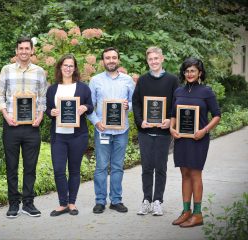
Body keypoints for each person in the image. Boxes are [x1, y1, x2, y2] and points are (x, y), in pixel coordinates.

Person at [0, 37, 48, 218]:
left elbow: (43, 97)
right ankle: (13, 204)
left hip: (32, 127)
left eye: (27, 48)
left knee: (30, 167)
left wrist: (40, 116)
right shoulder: (6, 70)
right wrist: (6, 115)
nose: (24, 51)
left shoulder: (40, 72)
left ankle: (28, 203)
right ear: (16, 51)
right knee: (11, 167)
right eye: (21, 48)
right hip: (11, 126)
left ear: (32, 51)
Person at [170, 57, 220, 227]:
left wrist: (204, 130)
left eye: (193, 71)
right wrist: (172, 128)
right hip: (181, 139)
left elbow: (217, 116)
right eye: (187, 71)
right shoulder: (178, 91)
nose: (189, 74)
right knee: (184, 173)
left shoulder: (206, 92)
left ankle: (198, 214)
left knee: (195, 173)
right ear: (183, 73)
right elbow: (174, 115)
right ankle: (186, 211)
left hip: (199, 138)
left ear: (200, 72)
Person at [88, 47, 135, 214]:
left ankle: (116, 200)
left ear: (118, 59)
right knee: (101, 166)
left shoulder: (128, 80)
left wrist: (127, 106)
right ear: (103, 61)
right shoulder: (95, 81)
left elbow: (134, 103)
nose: (111, 60)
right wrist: (96, 122)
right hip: (102, 130)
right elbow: (88, 106)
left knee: (117, 166)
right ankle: (100, 201)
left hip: (121, 131)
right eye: (107, 58)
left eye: (114, 57)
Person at [132, 46, 179, 216]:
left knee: (160, 167)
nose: (153, 61)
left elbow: (176, 103)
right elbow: (136, 102)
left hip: (163, 132)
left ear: (162, 59)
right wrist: (140, 121)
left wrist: (170, 121)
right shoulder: (143, 80)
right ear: (147, 61)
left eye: (156, 58)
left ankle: (158, 200)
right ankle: (146, 200)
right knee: (146, 167)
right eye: (150, 59)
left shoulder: (172, 80)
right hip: (145, 131)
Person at [45, 54, 93, 216]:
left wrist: (84, 108)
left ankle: (72, 203)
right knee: (59, 170)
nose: (68, 68)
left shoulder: (83, 88)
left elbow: (91, 106)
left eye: (71, 66)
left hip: (77, 136)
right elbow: (47, 109)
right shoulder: (52, 89)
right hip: (58, 135)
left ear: (75, 68)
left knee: (74, 170)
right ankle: (62, 203)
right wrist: (51, 111)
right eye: (65, 65)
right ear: (60, 68)